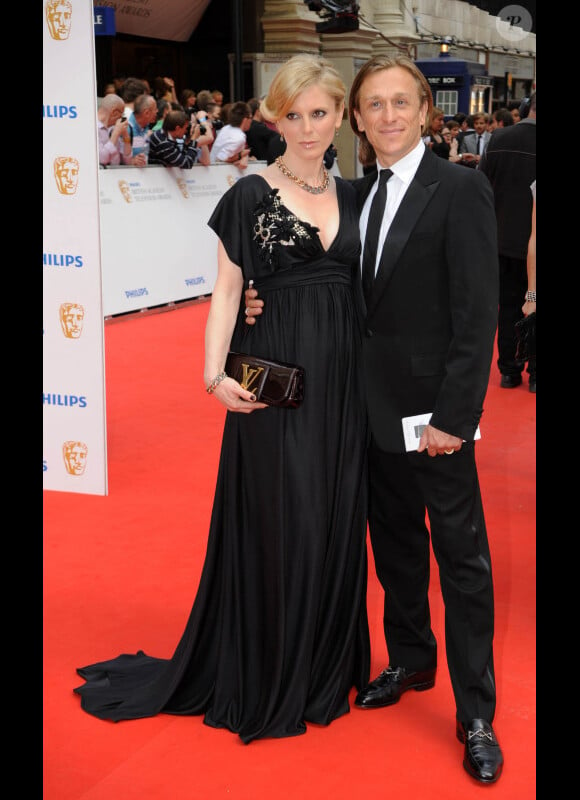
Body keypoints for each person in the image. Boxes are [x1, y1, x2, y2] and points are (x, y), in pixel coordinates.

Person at [73, 53, 371, 745]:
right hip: (274, 380)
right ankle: (271, 665)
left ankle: (324, 659)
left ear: (339, 117)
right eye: (292, 114)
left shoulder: (359, 194)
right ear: (273, 117)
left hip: (346, 386)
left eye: (319, 113)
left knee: (333, 514)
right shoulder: (248, 193)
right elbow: (228, 293)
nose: (306, 127)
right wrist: (213, 377)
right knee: (280, 515)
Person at [245, 54, 503, 784]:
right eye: (373, 105)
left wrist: (455, 416)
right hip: (362, 410)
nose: (387, 116)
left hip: (435, 418)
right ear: (356, 119)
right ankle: (412, 663)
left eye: (401, 102)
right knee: (394, 550)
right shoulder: (349, 196)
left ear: (425, 109)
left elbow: (475, 313)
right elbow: (318, 284)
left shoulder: (460, 189)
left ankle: (476, 713)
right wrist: (258, 307)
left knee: (462, 562)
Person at [479, 92, 536, 391]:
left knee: (510, 306)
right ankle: (536, 373)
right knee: (535, 303)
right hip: (533, 245)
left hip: (502, 242)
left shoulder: (498, 140)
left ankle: (509, 370)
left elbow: (480, 187)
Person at [210, 101, 252, 166]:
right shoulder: (239, 137)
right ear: (245, 120)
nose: (251, 121)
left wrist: (244, 157)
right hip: (218, 172)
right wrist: (240, 155)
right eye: (250, 118)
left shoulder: (226, 128)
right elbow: (220, 159)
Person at [121, 93, 157, 166]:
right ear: (146, 113)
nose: (157, 111)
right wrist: (131, 161)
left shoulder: (147, 126)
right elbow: (117, 159)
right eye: (155, 109)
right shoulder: (125, 128)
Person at [97, 93, 131, 167]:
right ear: (114, 112)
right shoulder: (92, 128)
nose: (121, 117)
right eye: (121, 114)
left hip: (116, 176)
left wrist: (126, 136)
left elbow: (128, 161)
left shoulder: (113, 128)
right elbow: (103, 159)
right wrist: (116, 133)